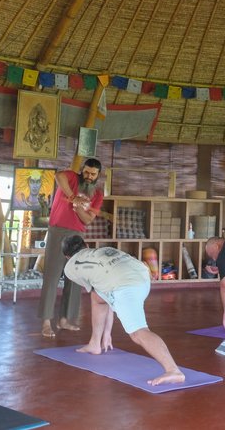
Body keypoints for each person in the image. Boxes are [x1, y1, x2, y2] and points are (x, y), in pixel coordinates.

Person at [61, 235, 185, 386]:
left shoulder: (70, 268)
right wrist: (107, 334)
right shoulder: (103, 250)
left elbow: (108, 289)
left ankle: (173, 370)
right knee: (97, 297)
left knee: (138, 333)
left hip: (126, 287)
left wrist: (108, 332)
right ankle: (95, 343)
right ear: (86, 245)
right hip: (142, 276)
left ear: (67, 256)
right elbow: (103, 292)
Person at [39, 158, 104, 338]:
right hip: (58, 231)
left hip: (78, 235)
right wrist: (73, 197)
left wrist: (77, 207)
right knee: (52, 276)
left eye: (93, 174)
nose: (89, 176)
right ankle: (46, 322)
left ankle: (65, 319)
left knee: (75, 278)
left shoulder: (97, 194)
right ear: (82, 170)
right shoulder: (71, 178)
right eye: (86, 172)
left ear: (98, 175)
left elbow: (88, 220)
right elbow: (58, 176)